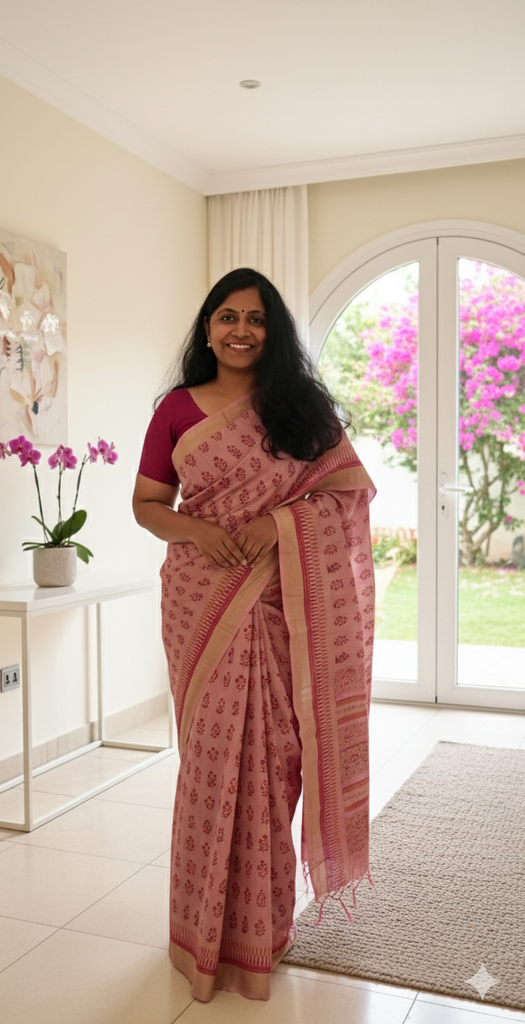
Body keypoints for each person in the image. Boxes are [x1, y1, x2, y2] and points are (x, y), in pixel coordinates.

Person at [132, 268, 375, 1002]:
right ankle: (196, 935)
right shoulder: (175, 408)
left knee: (273, 762)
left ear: (274, 333)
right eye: (227, 316)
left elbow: (347, 492)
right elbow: (147, 503)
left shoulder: (299, 407)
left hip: (280, 603)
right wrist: (200, 533)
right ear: (207, 328)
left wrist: (277, 525)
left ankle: (258, 934)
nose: (241, 330)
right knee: (208, 764)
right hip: (199, 600)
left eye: (257, 319)